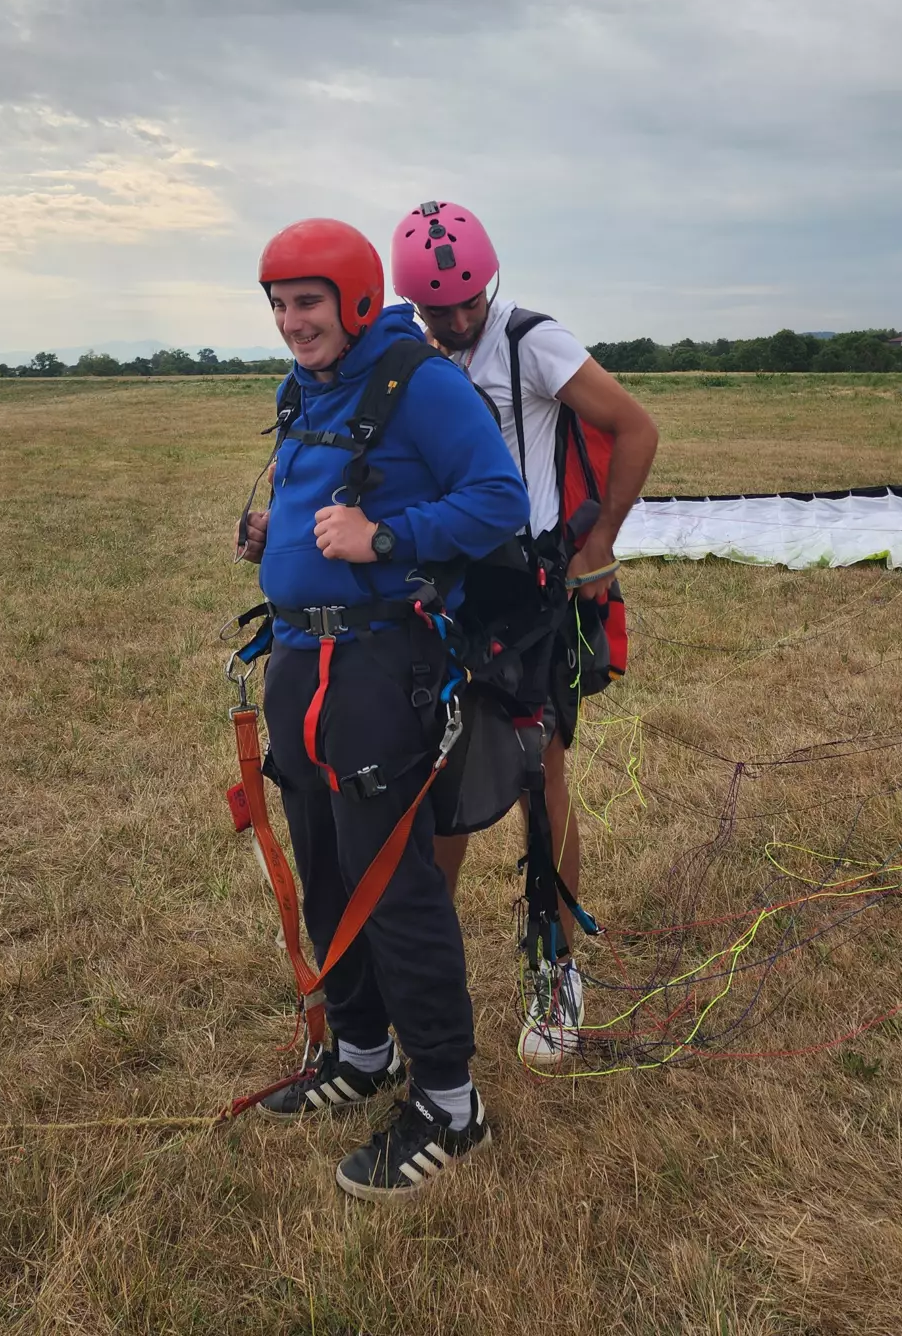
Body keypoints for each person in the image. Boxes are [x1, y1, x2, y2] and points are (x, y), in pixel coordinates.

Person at [236, 217, 530, 1198]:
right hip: (298, 662)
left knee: (390, 881)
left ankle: (450, 1100)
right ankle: (362, 1051)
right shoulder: (306, 387)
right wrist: (268, 524)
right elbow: (305, 484)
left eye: (307, 302)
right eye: (278, 303)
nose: (291, 321)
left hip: (377, 667)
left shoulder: (422, 383)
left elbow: (499, 501)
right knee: (323, 863)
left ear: (356, 299)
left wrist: (386, 535)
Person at [390, 200, 659, 1064]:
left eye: (468, 303)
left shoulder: (531, 341)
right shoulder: (407, 352)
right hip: (442, 591)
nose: (456, 322)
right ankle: (431, 980)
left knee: (541, 783)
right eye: (438, 311)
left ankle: (554, 970)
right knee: (441, 787)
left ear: (490, 283)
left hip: (527, 596)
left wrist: (600, 536)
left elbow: (634, 426)